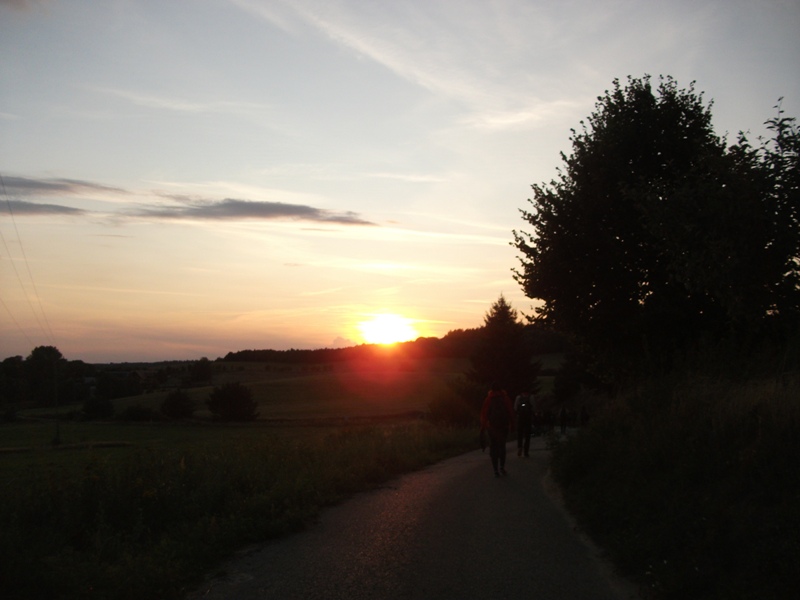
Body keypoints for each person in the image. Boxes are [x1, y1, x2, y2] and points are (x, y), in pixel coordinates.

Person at [480, 383, 514, 477]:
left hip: (492, 427)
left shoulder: (488, 399)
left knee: (493, 446)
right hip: (504, 426)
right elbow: (511, 412)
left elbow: (484, 414)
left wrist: (483, 427)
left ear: (491, 389)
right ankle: (502, 467)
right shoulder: (505, 398)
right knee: (502, 446)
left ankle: (495, 469)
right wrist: (512, 425)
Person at [514, 390, 533, 457]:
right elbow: (534, 407)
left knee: (520, 434)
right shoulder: (531, 397)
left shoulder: (518, 397)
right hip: (528, 419)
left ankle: (519, 447)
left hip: (520, 418)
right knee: (527, 435)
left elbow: (515, 408)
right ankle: (526, 451)